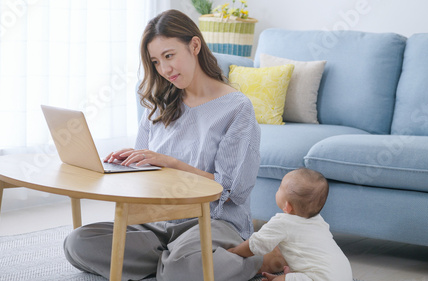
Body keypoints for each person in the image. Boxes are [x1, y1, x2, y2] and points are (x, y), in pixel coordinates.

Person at [63, 9, 285, 281]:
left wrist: (171, 163)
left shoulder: (237, 108)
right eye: (156, 62)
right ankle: (176, 261)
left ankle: (261, 258)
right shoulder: (158, 103)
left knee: (181, 270)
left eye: (169, 56)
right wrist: (125, 165)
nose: (164, 69)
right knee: (77, 243)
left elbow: (231, 191)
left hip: (212, 220)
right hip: (157, 221)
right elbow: (145, 173)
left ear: (194, 45)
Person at [227, 168, 353, 281]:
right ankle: (290, 276)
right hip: (344, 274)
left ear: (287, 206)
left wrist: (234, 251)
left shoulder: (282, 223)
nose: (278, 188)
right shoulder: (319, 221)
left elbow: (256, 245)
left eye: (280, 187)